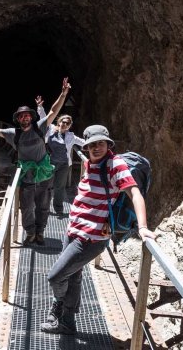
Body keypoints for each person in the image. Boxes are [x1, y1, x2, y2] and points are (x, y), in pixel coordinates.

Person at [40, 124, 157, 335]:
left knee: (55, 277)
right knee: (73, 276)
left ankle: (58, 305)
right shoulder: (91, 164)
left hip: (91, 237)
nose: (96, 148)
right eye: (92, 144)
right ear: (85, 147)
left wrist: (143, 227)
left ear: (108, 144)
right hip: (74, 229)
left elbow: (135, 193)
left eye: (100, 143)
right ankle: (67, 322)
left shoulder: (114, 165)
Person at [0, 77, 71, 246]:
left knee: (43, 205)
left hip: (44, 173)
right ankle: (30, 232)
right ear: (18, 119)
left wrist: (64, 94)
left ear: (31, 117)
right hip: (26, 175)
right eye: (22, 116)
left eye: (27, 115)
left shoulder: (40, 127)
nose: (25, 118)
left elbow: (53, 111)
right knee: (27, 206)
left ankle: (40, 232)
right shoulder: (14, 133)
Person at [42, 111, 85, 215]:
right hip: (50, 163)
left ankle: (58, 208)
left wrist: (96, 144)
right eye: (63, 122)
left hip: (64, 165)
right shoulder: (50, 131)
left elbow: (83, 142)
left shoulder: (71, 136)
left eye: (68, 123)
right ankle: (44, 207)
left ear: (70, 126)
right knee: (46, 185)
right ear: (59, 122)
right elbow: (44, 119)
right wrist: (40, 108)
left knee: (59, 187)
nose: (65, 124)